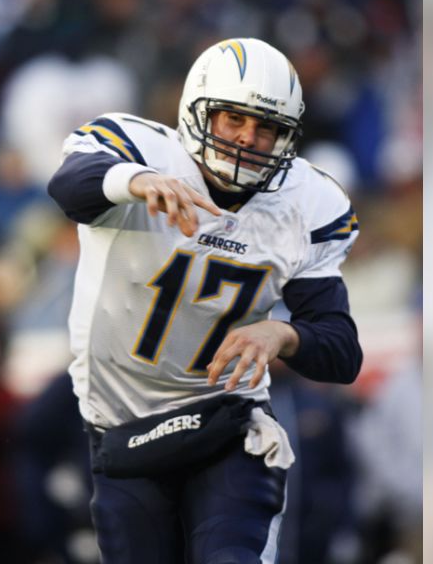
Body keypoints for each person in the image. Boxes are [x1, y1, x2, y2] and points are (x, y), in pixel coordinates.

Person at [46, 37, 363, 563]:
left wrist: (284, 333)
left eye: (268, 128)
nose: (248, 139)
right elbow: (69, 187)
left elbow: (341, 350)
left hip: (228, 426)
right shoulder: (140, 151)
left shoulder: (306, 203)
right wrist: (136, 182)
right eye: (233, 119)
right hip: (123, 431)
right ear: (197, 110)